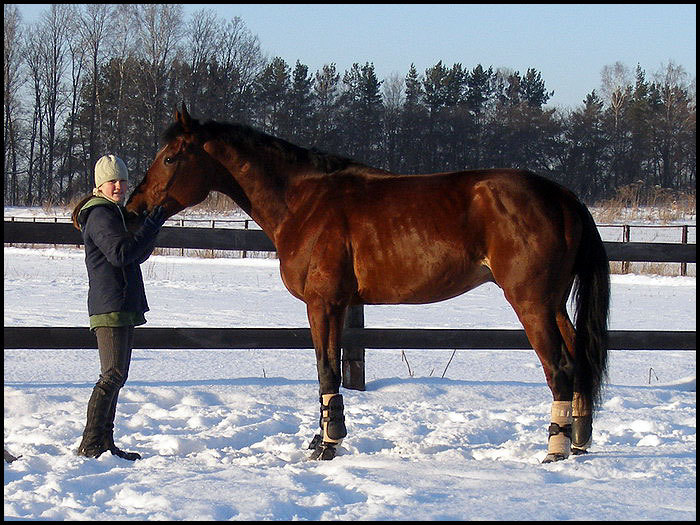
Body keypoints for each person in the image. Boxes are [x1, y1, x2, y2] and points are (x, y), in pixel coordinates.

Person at [71, 154, 167, 460]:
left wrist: (150, 229)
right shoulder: (100, 215)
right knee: (111, 374)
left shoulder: (113, 213)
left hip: (121, 302)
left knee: (117, 375)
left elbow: (133, 254)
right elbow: (120, 253)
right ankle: (91, 442)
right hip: (110, 303)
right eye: (113, 181)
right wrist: (150, 228)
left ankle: (105, 443)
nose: (119, 186)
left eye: (122, 180)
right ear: (100, 184)